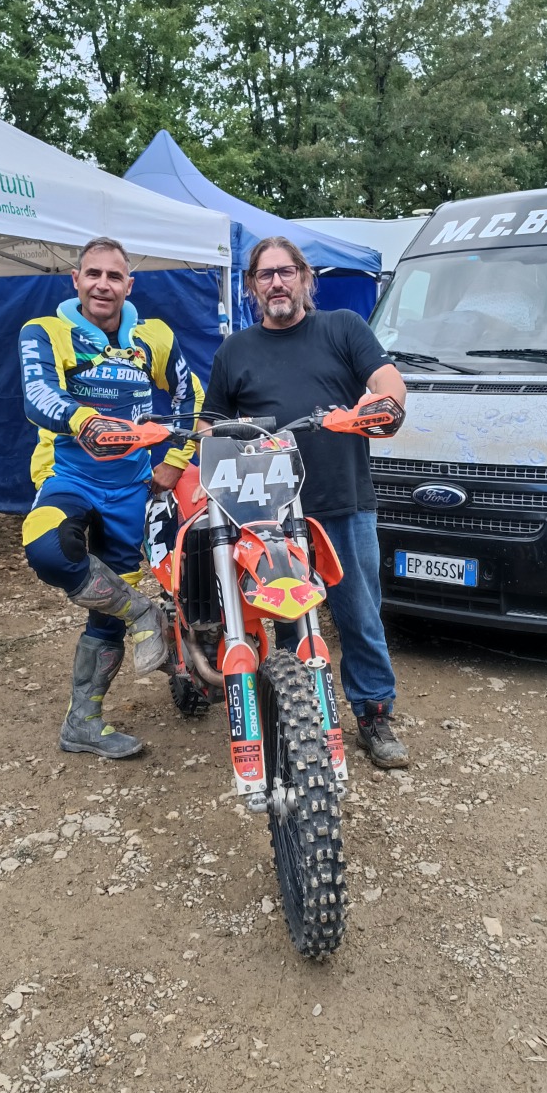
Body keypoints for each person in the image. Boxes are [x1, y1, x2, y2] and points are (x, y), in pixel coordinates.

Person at [200, 236, 410, 769]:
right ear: (252, 286)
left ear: (304, 277)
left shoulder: (343, 328)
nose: (276, 282)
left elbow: (387, 381)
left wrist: (385, 404)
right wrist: (195, 457)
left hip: (343, 501)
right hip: (267, 512)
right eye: (265, 274)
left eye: (286, 271)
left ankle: (374, 714)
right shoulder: (234, 351)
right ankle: (303, 716)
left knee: (360, 616)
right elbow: (209, 425)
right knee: (289, 617)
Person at [19, 237, 203, 760]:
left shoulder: (153, 337)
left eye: (114, 276)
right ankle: (144, 613)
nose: (103, 284)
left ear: (129, 285)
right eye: (93, 274)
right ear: (75, 280)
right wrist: (85, 420)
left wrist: (176, 458)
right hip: (69, 475)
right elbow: (37, 394)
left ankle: (83, 723)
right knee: (48, 550)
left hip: (132, 488)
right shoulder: (45, 331)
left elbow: (189, 394)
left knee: (104, 616)